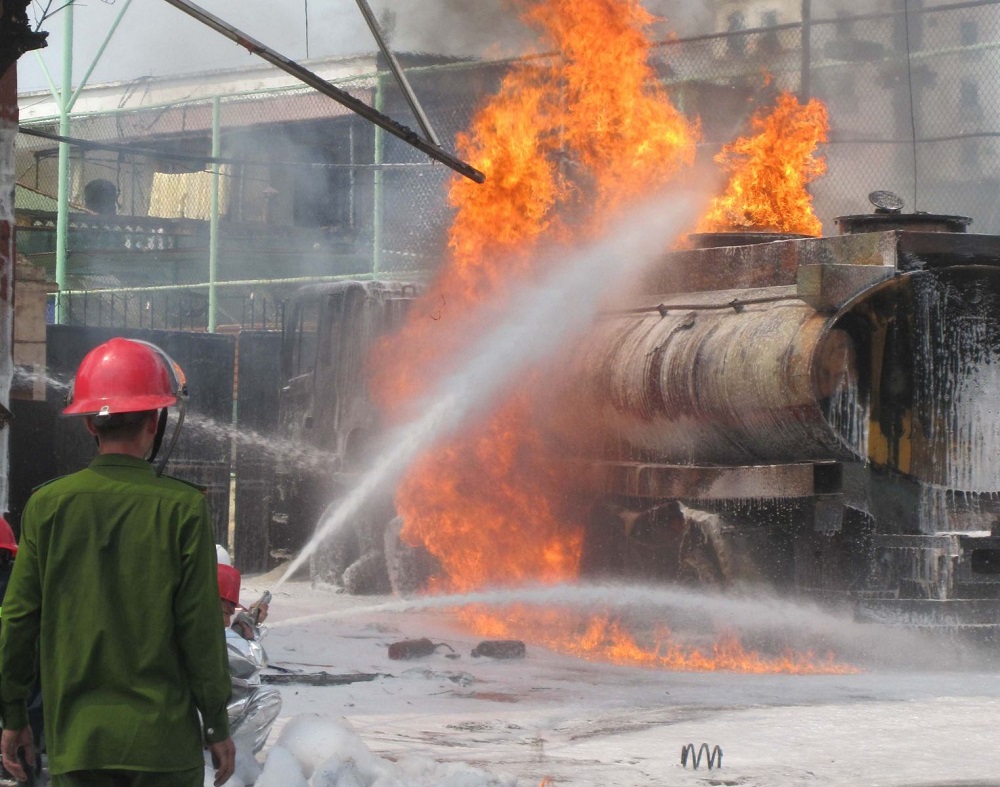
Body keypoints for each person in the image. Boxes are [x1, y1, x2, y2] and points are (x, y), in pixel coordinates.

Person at [0, 337, 235, 787]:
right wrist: (216, 724)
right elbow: (201, 627)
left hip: (79, 746)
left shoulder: (47, 506)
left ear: (90, 424)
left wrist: (12, 714)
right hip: (164, 748)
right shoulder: (182, 507)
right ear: (155, 419)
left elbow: (18, 619)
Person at [216, 562, 281, 757]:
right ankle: (231, 760)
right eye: (226, 613)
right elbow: (254, 662)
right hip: (196, 718)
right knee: (268, 697)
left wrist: (247, 629)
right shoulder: (205, 632)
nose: (228, 622)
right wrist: (250, 633)